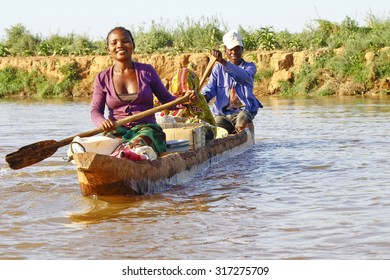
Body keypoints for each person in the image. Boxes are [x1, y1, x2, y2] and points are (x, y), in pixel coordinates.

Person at [90, 27, 197, 160]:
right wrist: (102, 122)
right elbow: (95, 111)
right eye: (114, 43)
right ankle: (120, 157)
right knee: (104, 145)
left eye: (125, 41)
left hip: (147, 129)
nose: (120, 46)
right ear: (108, 49)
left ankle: (129, 156)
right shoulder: (102, 78)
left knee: (138, 145)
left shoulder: (147, 72)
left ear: (133, 45)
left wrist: (184, 101)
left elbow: (166, 99)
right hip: (118, 130)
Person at [201, 30, 263, 134]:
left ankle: (240, 133)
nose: (234, 52)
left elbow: (244, 77)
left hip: (243, 111)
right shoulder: (218, 69)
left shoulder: (250, 67)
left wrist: (223, 62)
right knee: (213, 128)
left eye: (237, 49)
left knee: (241, 122)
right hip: (223, 114)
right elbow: (210, 90)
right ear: (225, 50)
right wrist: (201, 99)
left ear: (242, 50)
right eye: (231, 49)